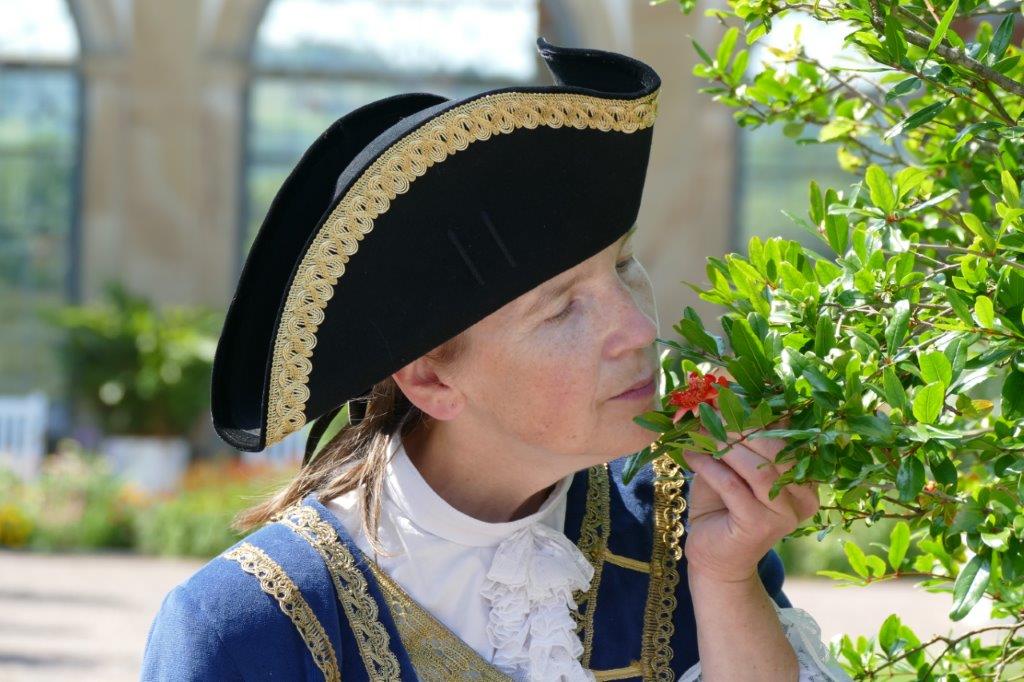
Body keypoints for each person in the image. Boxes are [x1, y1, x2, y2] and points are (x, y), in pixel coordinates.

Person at [141, 38, 850, 681]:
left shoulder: (688, 525)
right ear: (431, 377)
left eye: (626, 267)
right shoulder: (247, 629)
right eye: (562, 306)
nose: (637, 327)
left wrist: (727, 583)